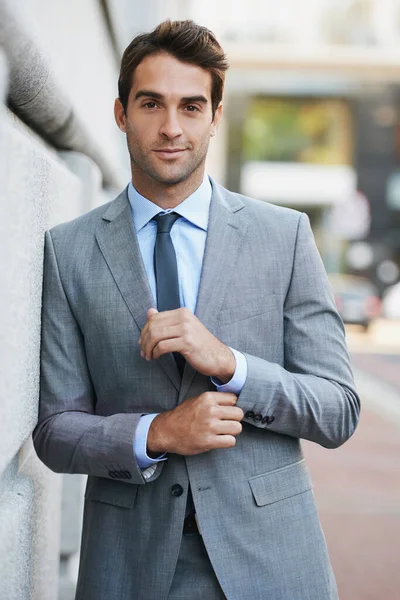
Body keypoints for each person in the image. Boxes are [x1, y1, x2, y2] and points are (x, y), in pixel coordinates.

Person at [33, 19, 360, 600]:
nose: (170, 128)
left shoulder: (283, 236)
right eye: (151, 103)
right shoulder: (68, 250)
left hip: (271, 562)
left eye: (190, 107)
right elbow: (55, 432)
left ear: (215, 117)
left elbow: (337, 410)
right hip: (128, 567)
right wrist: (156, 432)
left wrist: (232, 365)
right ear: (120, 113)